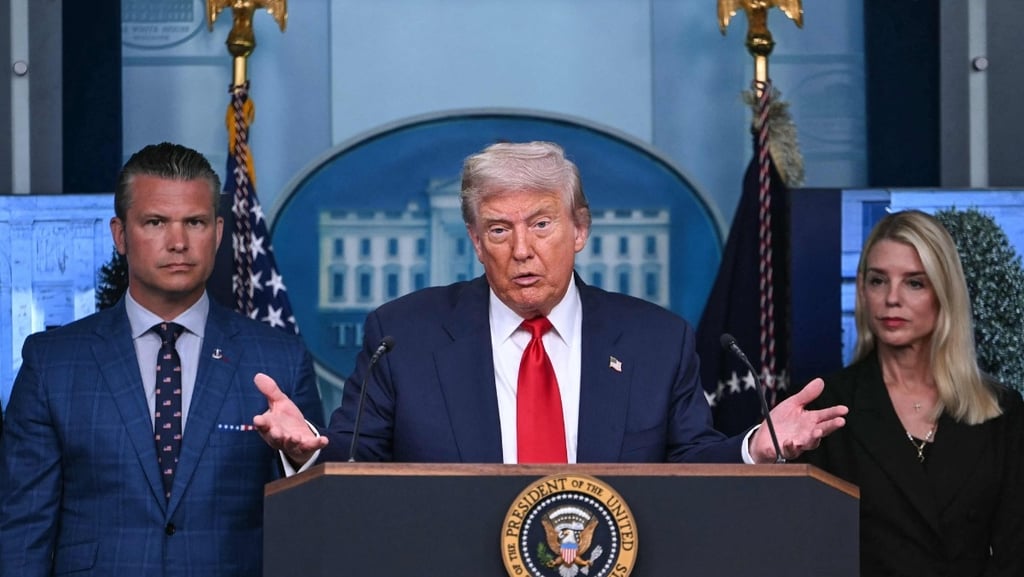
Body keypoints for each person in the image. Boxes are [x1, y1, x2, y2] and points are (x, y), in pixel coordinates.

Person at [254, 140, 846, 466]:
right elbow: (356, 468)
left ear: (580, 229)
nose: (521, 251)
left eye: (541, 224)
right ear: (474, 242)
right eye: (498, 230)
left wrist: (752, 451)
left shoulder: (655, 341)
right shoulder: (402, 336)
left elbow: (691, 467)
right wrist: (307, 457)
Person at [0, 142, 324, 576]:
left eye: (195, 222)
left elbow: (316, 528)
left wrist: (300, 461)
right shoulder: (52, 364)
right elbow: (23, 533)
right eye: (155, 222)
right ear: (120, 235)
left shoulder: (279, 360)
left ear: (219, 233)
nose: (178, 242)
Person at [801, 210, 1024, 576]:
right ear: (863, 290)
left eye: (914, 283)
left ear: (944, 292)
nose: (892, 298)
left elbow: (1015, 552)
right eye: (878, 281)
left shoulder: (1003, 412)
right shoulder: (826, 407)